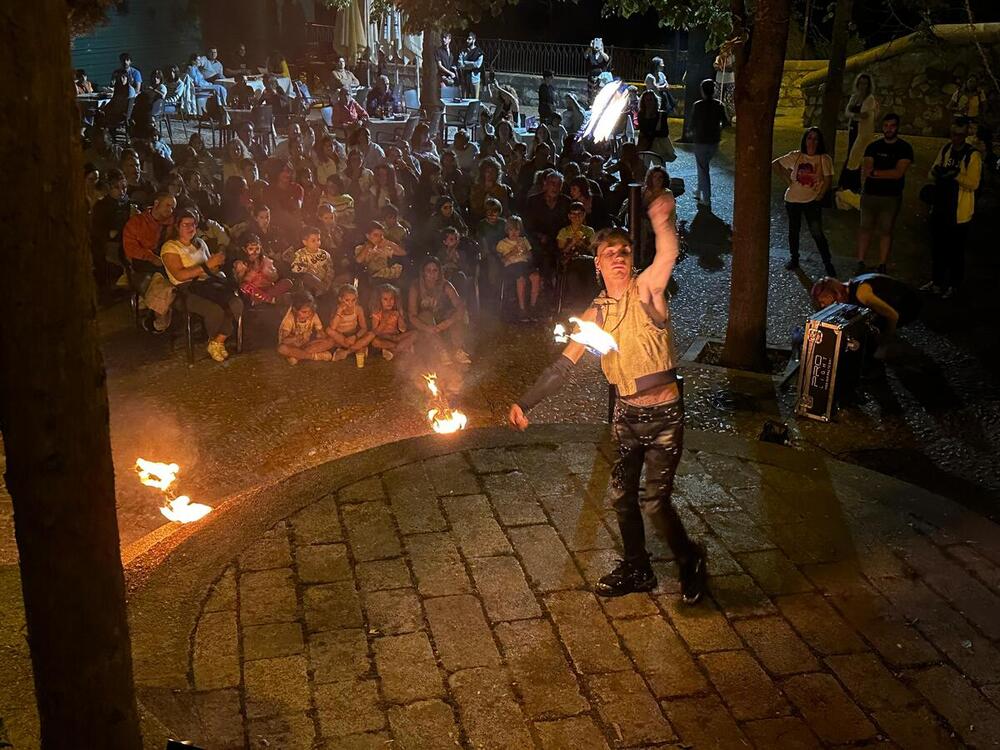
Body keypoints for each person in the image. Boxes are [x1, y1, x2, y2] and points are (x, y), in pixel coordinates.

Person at [509, 193, 707, 601]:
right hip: (626, 416)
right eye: (609, 253)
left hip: (664, 414)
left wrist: (662, 220)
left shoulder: (647, 289)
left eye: (625, 251)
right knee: (621, 496)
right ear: (596, 264)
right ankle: (638, 569)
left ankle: (691, 559)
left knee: (654, 502)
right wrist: (525, 402)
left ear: (632, 259)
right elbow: (563, 366)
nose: (618, 257)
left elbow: (667, 253)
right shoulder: (594, 314)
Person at [161, 210, 243, 362]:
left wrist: (218, 263)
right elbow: (180, 275)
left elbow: (210, 269)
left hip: (208, 284)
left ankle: (217, 341)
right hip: (186, 289)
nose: (190, 228)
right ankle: (216, 342)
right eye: (186, 225)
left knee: (235, 303)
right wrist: (206, 266)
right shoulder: (170, 247)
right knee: (215, 311)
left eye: (193, 224)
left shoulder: (200, 243)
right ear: (177, 227)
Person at [922, 122, 982, 298]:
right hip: (941, 207)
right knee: (938, 247)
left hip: (958, 211)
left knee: (955, 250)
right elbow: (932, 171)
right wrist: (938, 172)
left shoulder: (972, 155)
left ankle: (953, 285)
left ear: (965, 135)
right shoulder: (946, 149)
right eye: (953, 134)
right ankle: (937, 281)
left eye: (959, 135)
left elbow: (973, 183)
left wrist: (955, 175)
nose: (955, 138)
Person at [772, 127, 836, 276]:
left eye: (815, 139)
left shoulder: (824, 159)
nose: (812, 142)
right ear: (805, 140)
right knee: (794, 231)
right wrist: (788, 180)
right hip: (793, 200)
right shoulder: (796, 156)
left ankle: (827, 262)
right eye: (809, 138)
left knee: (817, 232)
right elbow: (775, 164)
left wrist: (820, 195)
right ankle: (794, 259)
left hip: (812, 201)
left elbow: (828, 179)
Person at [856, 113, 913, 274]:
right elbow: (867, 169)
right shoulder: (873, 147)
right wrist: (882, 173)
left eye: (892, 126)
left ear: (897, 127)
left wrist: (876, 173)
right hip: (870, 194)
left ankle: (882, 264)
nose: (889, 129)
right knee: (865, 228)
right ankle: (860, 261)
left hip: (891, 197)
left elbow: (898, 173)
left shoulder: (905, 148)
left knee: (886, 230)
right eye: (886, 126)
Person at [812, 273, 920, 341]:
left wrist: (886, 339)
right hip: (899, 298)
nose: (822, 305)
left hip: (908, 304)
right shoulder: (847, 288)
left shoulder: (862, 294)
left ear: (834, 294)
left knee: (870, 329)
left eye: (823, 301)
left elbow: (893, 315)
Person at [408, 256, 472, 364]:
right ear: (423, 272)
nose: (432, 274)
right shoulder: (416, 287)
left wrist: (449, 321)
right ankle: (442, 351)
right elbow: (412, 315)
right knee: (425, 314)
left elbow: (460, 306)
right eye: (428, 270)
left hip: (443, 320)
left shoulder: (446, 285)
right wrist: (427, 328)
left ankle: (458, 350)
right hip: (425, 323)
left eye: (435, 270)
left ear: (439, 272)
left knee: (455, 314)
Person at [688, 79, 729, 209]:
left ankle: (706, 196)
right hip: (713, 140)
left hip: (700, 140)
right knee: (703, 167)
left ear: (702, 91)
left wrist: (690, 132)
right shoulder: (719, 105)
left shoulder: (698, 105)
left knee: (703, 168)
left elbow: (693, 123)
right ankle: (700, 190)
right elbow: (726, 123)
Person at [496, 215, 541, 320]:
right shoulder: (502, 243)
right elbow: (501, 260)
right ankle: (522, 308)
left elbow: (530, 256)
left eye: (516, 230)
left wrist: (525, 251)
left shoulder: (523, 240)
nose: (514, 233)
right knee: (521, 279)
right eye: (511, 230)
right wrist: (512, 252)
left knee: (536, 277)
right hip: (511, 266)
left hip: (525, 264)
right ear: (507, 230)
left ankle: (533, 305)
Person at [233, 233, 293, 305]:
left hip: (269, 289)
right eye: (251, 249)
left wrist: (268, 273)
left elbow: (275, 278)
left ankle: (270, 299)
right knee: (246, 287)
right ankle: (271, 300)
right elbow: (241, 285)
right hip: (253, 293)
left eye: (257, 249)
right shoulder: (241, 264)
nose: (255, 252)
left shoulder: (265, 260)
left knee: (287, 282)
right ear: (244, 249)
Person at [277, 291, 335, 364]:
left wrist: (321, 334)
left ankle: (296, 357)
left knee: (331, 341)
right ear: (295, 310)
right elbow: (284, 341)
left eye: (309, 312)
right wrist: (297, 337)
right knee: (282, 349)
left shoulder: (313, 315)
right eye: (304, 312)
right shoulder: (289, 319)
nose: (307, 315)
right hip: (293, 346)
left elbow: (321, 331)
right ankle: (315, 356)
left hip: (307, 346)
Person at [327, 284, 376, 364]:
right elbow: (332, 328)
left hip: (353, 336)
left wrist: (354, 336)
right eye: (347, 300)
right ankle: (358, 348)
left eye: (353, 300)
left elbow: (364, 328)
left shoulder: (358, 309)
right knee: (328, 330)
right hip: (341, 338)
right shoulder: (337, 309)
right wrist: (339, 312)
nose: (350, 303)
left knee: (372, 334)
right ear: (340, 299)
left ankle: (346, 352)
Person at [370, 284, 415, 360]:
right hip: (383, 338)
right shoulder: (377, 314)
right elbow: (375, 332)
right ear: (379, 300)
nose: (389, 302)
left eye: (391, 299)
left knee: (415, 333)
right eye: (385, 299)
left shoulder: (396, 312)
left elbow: (403, 329)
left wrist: (400, 315)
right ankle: (400, 348)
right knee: (374, 342)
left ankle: (393, 351)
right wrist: (384, 320)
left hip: (396, 337)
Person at [290, 226, 335, 297]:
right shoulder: (300, 254)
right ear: (305, 242)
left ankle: (324, 290)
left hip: (324, 282)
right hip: (309, 285)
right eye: (313, 241)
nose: (317, 243)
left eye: (319, 240)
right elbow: (294, 268)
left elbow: (330, 269)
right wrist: (308, 269)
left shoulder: (324, 254)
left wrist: (327, 281)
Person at [637, 90, 675, 163]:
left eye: (651, 100)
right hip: (645, 145)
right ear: (643, 102)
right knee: (643, 168)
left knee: (659, 168)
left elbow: (665, 132)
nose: (649, 102)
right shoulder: (641, 114)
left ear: (655, 101)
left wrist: (651, 133)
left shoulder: (661, 115)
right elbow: (643, 130)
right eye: (647, 100)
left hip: (657, 145)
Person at [458, 32, 484, 100]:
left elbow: (478, 65)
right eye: (467, 39)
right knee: (464, 100)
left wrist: (466, 63)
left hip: (475, 79)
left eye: (469, 39)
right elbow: (460, 65)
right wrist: (472, 64)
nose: (467, 41)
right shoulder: (463, 51)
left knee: (474, 101)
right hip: (465, 79)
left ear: (474, 40)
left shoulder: (479, 52)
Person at [585, 38, 610, 105]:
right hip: (592, 76)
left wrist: (601, 50)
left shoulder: (603, 55)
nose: (596, 46)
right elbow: (585, 56)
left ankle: (600, 105)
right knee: (591, 92)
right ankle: (591, 105)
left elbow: (607, 59)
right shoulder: (591, 54)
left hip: (602, 78)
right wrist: (590, 47)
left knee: (600, 92)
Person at [714, 45, 735, 120]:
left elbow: (732, 68)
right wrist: (720, 67)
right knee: (717, 98)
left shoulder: (733, 57)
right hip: (719, 80)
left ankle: (730, 117)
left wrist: (724, 68)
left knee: (729, 100)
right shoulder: (719, 57)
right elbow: (716, 66)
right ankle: (717, 116)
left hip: (730, 81)